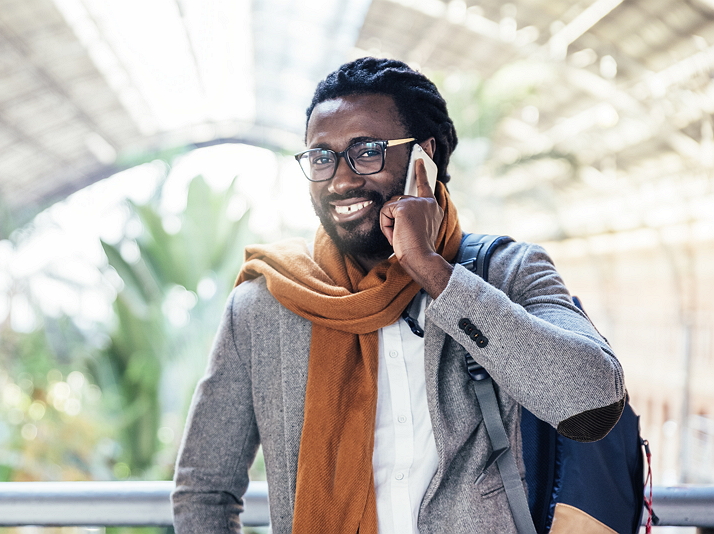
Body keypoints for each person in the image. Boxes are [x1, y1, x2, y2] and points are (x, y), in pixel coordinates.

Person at [172, 57, 625, 534]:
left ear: (423, 157)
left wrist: (435, 272)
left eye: (366, 151)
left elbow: (592, 403)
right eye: (322, 157)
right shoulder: (266, 304)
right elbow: (204, 489)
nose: (341, 180)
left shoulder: (509, 272)